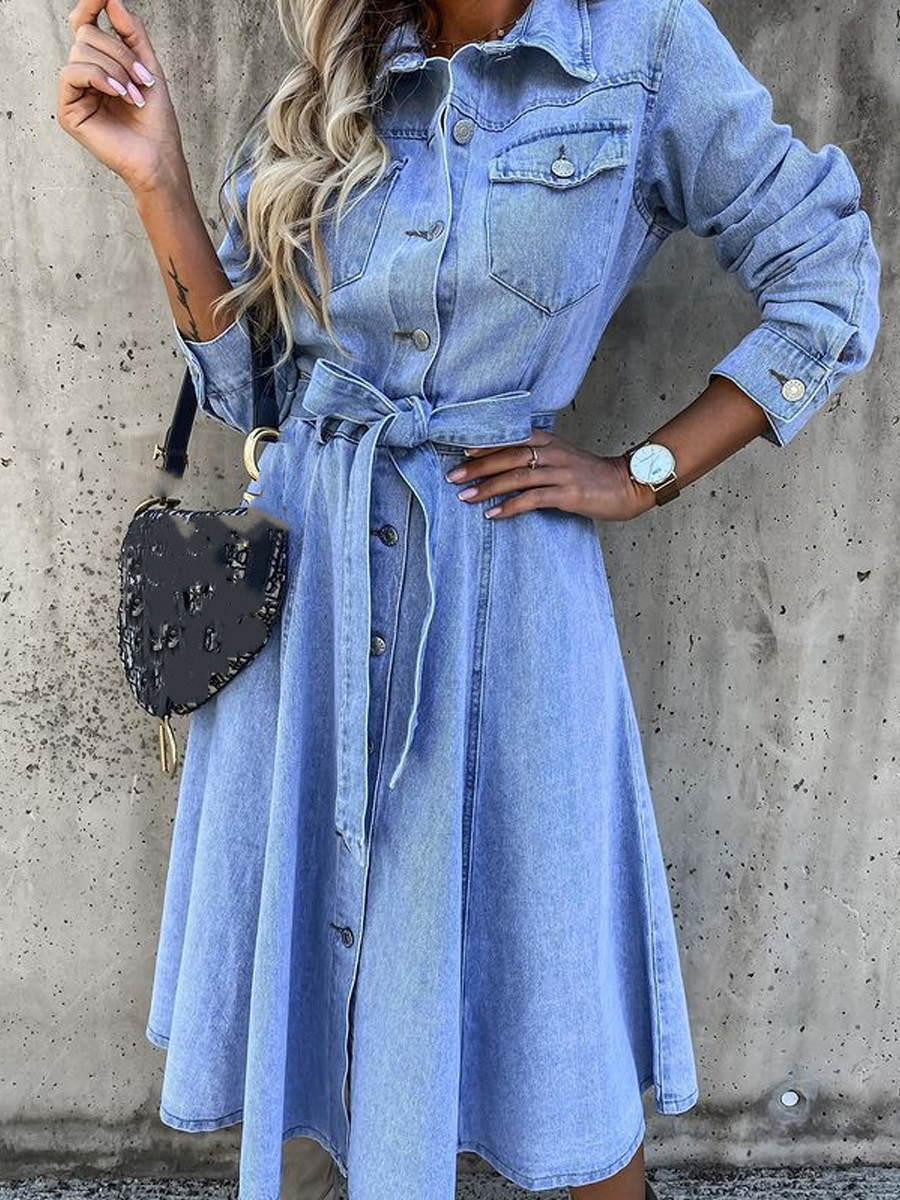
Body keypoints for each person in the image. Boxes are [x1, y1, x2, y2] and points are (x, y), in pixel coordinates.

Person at [58, 0, 881, 1198]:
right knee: (330, 1029)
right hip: (313, 603)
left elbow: (829, 272)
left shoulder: (641, 46)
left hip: (507, 608)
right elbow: (250, 388)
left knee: (561, 1017)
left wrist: (640, 473)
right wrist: (159, 182)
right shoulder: (351, 58)